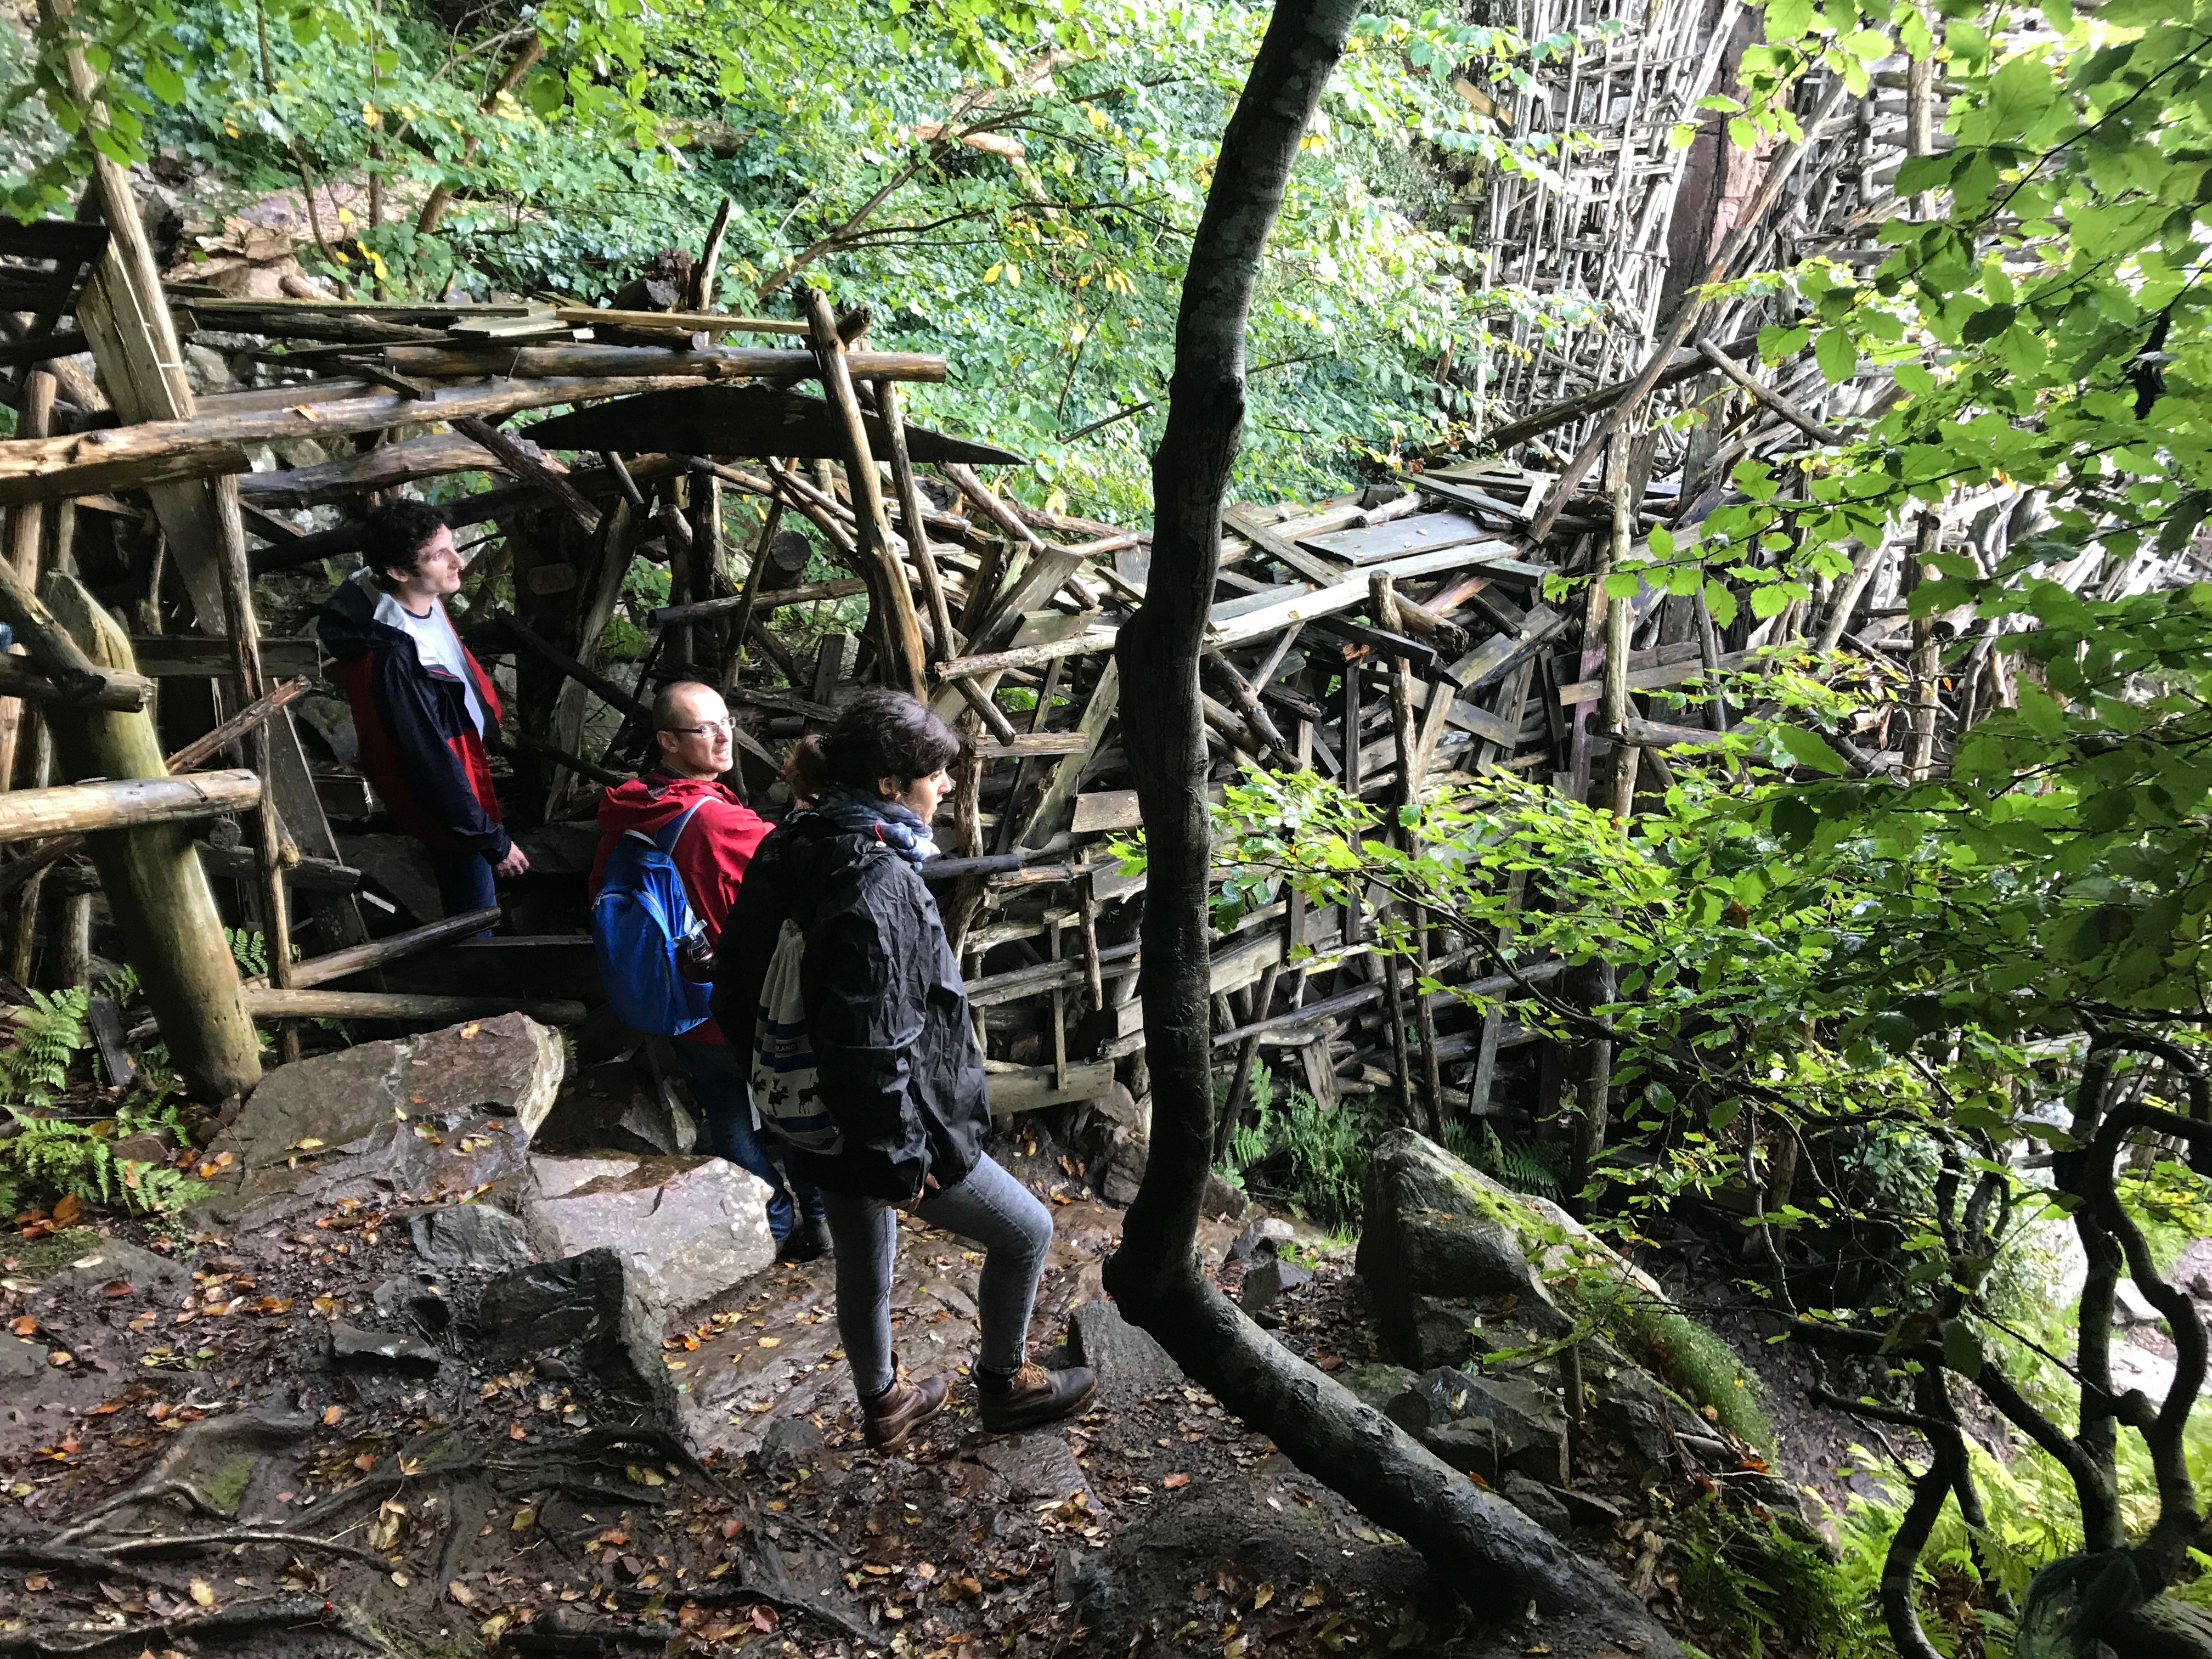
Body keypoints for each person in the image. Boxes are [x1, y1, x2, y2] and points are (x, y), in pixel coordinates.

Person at [716, 689, 1095, 1449]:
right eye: (937, 772)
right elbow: (873, 1041)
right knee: (1027, 1231)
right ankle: (1005, 1385)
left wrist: (783, 1093)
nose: (948, 787)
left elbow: (736, 984)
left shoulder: (791, 841)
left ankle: (885, 1401)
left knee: (865, 1259)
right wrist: (899, 1155)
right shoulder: (879, 882)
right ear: (891, 785)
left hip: (807, 1110)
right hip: (879, 1125)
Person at [591, 680, 828, 1261]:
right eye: (707, 728)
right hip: (737, 999)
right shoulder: (713, 822)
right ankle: (817, 1222)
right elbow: (802, 869)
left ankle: (768, 1222)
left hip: (679, 998)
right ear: (669, 741)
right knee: (793, 1114)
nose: (726, 736)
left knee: (730, 1120)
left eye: (727, 721)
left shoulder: (633, 806)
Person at [319, 499, 527, 919]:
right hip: (451, 806)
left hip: (462, 777)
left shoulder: (413, 596)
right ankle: (469, 973)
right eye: (439, 556)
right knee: (474, 911)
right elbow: (429, 761)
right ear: (398, 572)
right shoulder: (398, 657)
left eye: (453, 547)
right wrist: (491, 841)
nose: (459, 562)